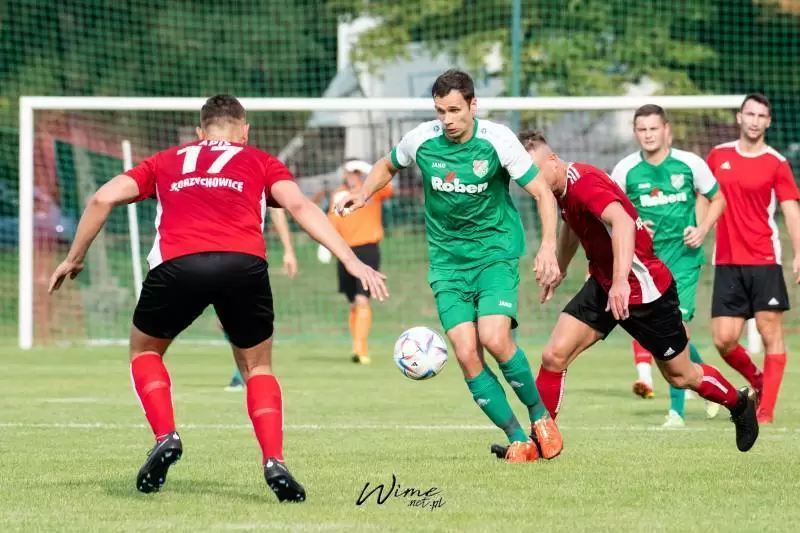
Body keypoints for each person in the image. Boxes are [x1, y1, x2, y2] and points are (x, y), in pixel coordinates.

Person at [47, 94, 388, 502]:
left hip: (179, 265)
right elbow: (298, 205)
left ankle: (165, 436)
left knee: (144, 350)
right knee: (257, 367)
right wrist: (350, 259)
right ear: (245, 131)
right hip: (243, 265)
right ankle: (274, 461)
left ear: (199, 132)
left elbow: (102, 197)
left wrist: (74, 258)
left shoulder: (165, 160)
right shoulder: (259, 160)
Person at [335, 69, 563, 463]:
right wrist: (364, 193)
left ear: (473, 105)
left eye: (455, 110)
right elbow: (387, 165)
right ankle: (517, 438)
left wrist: (547, 246)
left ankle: (540, 415)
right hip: (447, 264)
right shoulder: (422, 140)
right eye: (441, 111)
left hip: (494, 253)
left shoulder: (497, 141)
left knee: (494, 338)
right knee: (465, 351)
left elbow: (542, 193)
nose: (448, 120)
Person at [519, 131, 758, 453]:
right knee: (553, 356)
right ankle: (539, 443)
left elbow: (623, 222)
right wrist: (560, 269)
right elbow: (571, 225)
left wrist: (621, 281)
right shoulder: (559, 191)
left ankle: (739, 403)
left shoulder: (583, 182)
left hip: (647, 291)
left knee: (681, 376)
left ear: (552, 160)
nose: (531, 180)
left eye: (534, 170)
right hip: (605, 285)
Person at [610, 104, 726, 427]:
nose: (648, 135)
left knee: (676, 329)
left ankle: (676, 412)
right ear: (635, 133)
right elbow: (611, 211)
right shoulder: (625, 170)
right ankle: (708, 382)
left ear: (666, 130)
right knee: (661, 335)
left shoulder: (690, 164)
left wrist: (702, 229)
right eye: (642, 129)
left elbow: (718, 198)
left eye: (653, 128)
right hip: (647, 265)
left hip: (684, 261)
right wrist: (635, 226)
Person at [707, 93, 800, 424]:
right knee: (723, 339)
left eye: (761, 116)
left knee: (769, 331)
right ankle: (758, 381)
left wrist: (799, 253)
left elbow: (791, 209)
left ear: (768, 122)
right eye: (750, 114)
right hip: (726, 261)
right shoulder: (718, 156)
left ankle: (766, 411)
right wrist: (698, 229)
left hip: (764, 258)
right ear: (739, 117)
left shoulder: (776, 162)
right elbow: (704, 197)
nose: (755, 121)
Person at [225, 207, 298, 390]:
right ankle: (247, 371)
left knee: (243, 317)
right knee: (228, 320)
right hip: (215, 253)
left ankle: (247, 374)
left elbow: (278, 210)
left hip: (244, 256)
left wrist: (288, 250)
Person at [329, 158, 392, 364]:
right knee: (352, 302)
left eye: (356, 172)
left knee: (362, 298)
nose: (352, 176)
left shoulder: (371, 190)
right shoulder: (339, 194)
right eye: (349, 172)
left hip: (368, 250)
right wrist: (327, 247)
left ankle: (360, 349)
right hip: (346, 253)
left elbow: (389, 187)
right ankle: (356, 345)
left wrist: (368, 168)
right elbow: (332, 220)